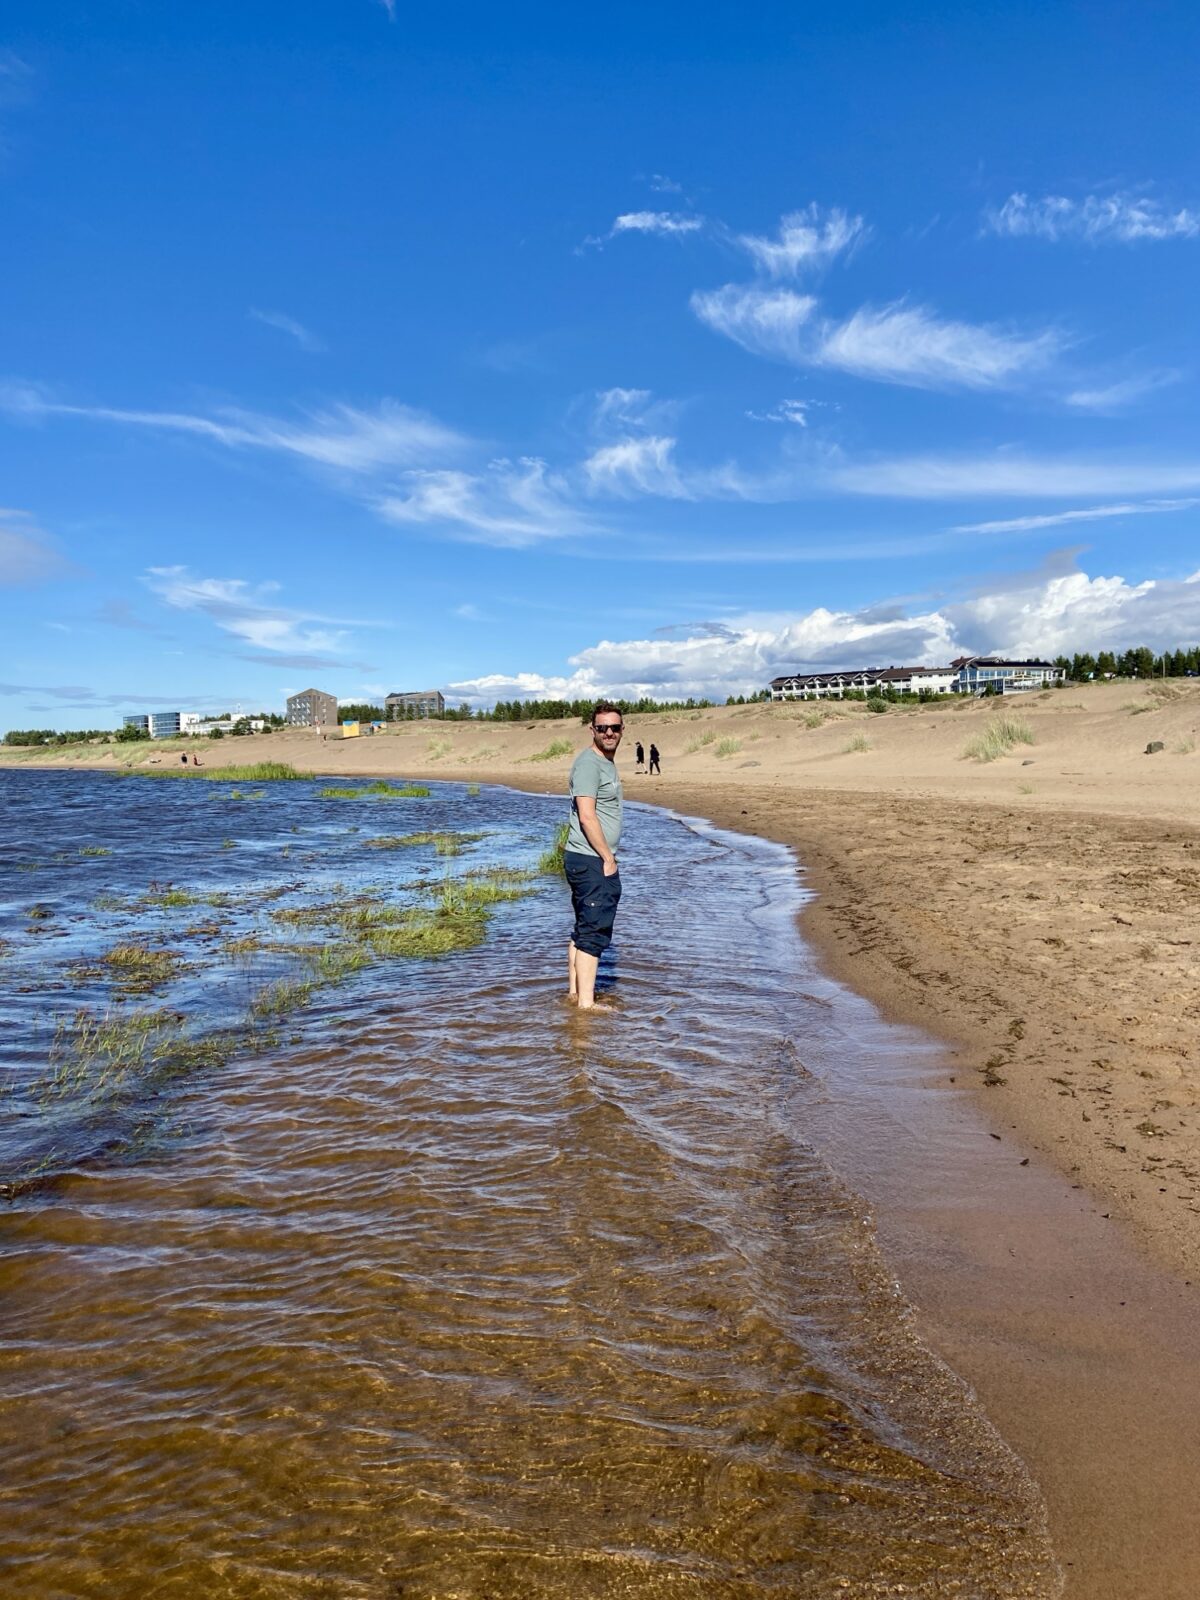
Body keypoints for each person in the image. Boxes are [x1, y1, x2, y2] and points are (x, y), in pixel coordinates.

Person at [564, 702, 624, 1010]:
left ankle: (575, 993)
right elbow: (587, 816)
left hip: (585, 858)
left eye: (615, 727)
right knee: (592, 931)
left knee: (582, 926)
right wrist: (608, 859)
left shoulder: (604, 762)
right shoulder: (589, 764)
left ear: (622, 730)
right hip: (591, 859)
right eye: (603, 728)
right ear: (593, 730)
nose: (609, 733)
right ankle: (586, 1006)